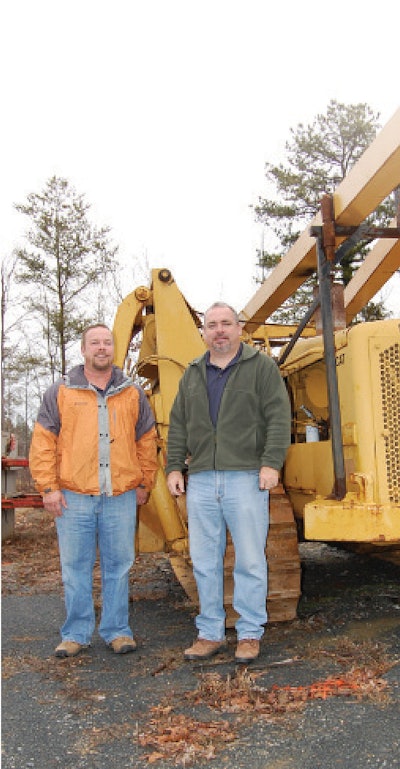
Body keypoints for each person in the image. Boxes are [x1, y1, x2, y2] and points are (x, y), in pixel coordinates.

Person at [166, 302, 291, 664]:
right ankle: (210, 632)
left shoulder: (261, 367)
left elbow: (278, 417)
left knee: (250, 559)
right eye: (212, 325)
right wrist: (174, 468)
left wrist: (271, 463)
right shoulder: (192, 373)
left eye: (225, 323)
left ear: (238, 329)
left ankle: (249, 633)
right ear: (204, 332)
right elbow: (178, 425)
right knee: (204, 561)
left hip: (246, 477)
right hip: (202, 479)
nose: (219, 330)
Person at [29, 324, 158, 658]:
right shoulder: (61, 391)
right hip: (73, 497)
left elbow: (147, 442)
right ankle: (76, 633)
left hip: (120, 496)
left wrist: (144, 482)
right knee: (75, 568)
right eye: (95, 343)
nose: (102, 348)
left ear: (114, 349)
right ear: (84, 349)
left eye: (107, 343)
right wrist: (48, 487)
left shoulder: (132, 393)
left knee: (119, 567)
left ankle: (117, 631)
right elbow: (43, 443)